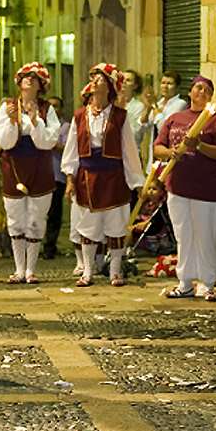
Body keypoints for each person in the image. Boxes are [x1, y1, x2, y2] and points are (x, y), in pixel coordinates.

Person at [61, 63, 147, 288]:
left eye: (100, 78)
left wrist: (137, 182)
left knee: (116, 224)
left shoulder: (120, 116)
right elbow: (72, 148)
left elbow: (129, 150)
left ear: (109, 86)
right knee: (88, 224)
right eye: (94, 78)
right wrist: (70, 178)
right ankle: (88, 272)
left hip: (114, 176)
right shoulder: (80, 115)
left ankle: (115, 271)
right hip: (87, 177)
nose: (95, 81)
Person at [152, 76, 216, 301]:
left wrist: (199, 145)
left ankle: (208, 283)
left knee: (205, 235)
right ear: (190, 92)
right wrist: (170, 153)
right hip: (178, 187)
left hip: (205, 188)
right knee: (183, 235)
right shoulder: (175, 118)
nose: (202, 92)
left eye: (208, 89)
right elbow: (158, 147)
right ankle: (185, 282)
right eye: (199, 87)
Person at [0, 62, 61, 284]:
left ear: (41, 84)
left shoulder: (46, 109)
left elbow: (49, 140)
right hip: (14, 165)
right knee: (15, 219)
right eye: (25, 76)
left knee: (36, 219)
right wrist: (12, 122)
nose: (28, 80)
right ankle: (18, 269)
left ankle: (31, 269)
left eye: (33, 77)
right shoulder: (7, 107)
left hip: (40, 165)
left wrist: (34, 121)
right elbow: (2, 140)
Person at [139, 70, 187, 168]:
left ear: (177, 88)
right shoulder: (159, 103)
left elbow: (163, 127)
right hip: (153, 159)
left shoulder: (180, 104)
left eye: (169, 84)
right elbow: (142, 128)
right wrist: (148, 109)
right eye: (163, 83)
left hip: (167, 159)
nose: (165, 87)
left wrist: (154, 105)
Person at [43, 95, 68, 260]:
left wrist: (52, 143)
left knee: (54, 213)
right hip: (40, 175)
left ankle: (49, 246)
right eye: (49, 106)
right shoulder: (38, 125)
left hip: (57, 176)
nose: (52, 109)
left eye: (56, 106)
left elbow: (67, 149)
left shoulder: (65, 127)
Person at [117, 70, 146, 147]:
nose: (124, 82)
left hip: (130, 151)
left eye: (128, 80)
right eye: (122, 79)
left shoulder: (138, 106)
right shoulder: (111, 103)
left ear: (135, 86)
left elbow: (135, 134)